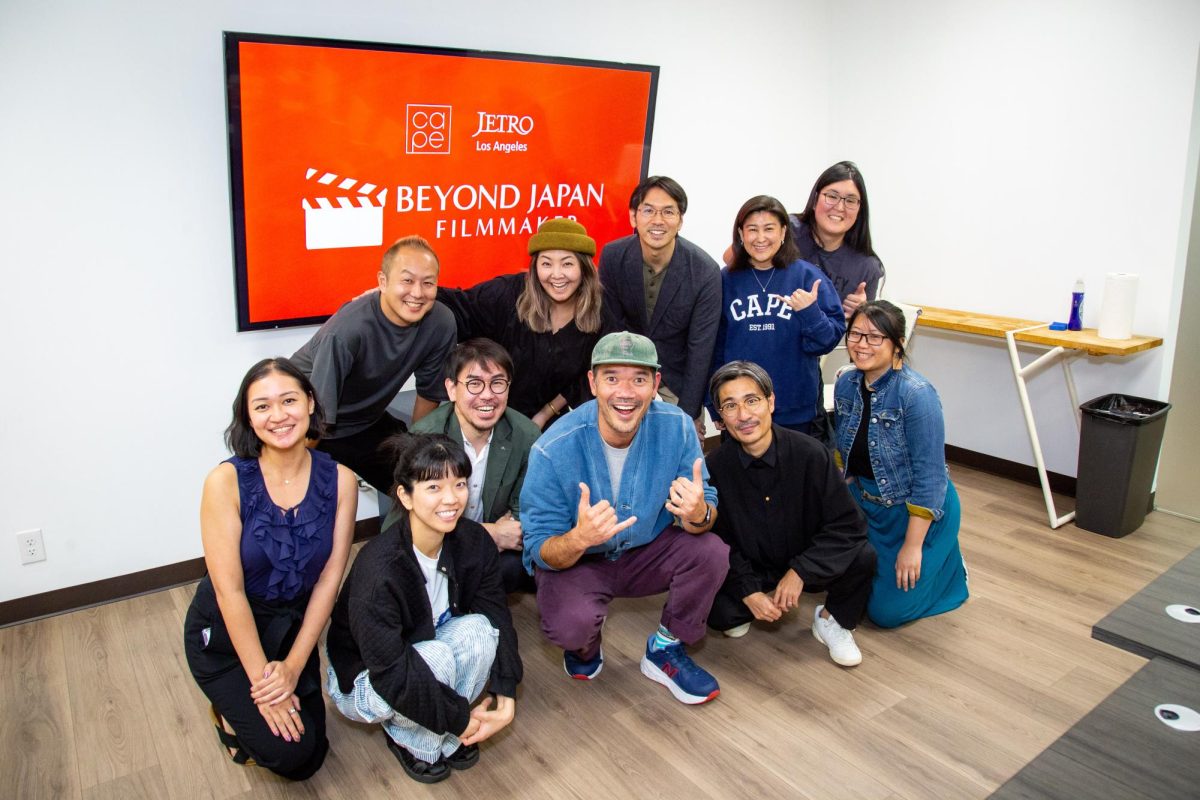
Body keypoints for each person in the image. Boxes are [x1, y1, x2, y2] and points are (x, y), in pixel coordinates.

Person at [520, 331, 729, 704]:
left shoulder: (678, 426)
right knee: (571, 627)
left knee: (711, 551)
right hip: (581, 560)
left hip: (650, 550)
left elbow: (706, 507)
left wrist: (699, 514)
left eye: (639, 379)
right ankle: (585, 645)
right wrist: (578, 538)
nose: (626, 392)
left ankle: (664, 649)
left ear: (656, 385)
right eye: (612, 377)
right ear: (593, 383)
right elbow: (539, 550)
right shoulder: (552, 448)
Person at [183, 357, 357, 780]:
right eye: (262, 406)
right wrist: (265, 689)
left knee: (312, 752)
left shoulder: (342, 481)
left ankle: (263, 695)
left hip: (290, 633)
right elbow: (230, 593)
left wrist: (295, 666)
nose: (278, 416)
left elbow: (329, 580)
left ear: (311, 403)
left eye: (289, 400)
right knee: (292, 759)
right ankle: (228, 711)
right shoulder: (224, 483)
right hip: (227, 636)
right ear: (247, 415)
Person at [325, 434, 522, 784]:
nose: (451, 499)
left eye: (459, 484)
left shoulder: (473, 541)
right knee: (436, 660)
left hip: (424, 646)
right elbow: (391, 671)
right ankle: (415, 741)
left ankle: (442, 731)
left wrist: (506, 691)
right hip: (365, 679)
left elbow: (497, 617)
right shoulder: (380, 568)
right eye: (433, 487)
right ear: (405, 495)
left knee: (480, 631)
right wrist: (462, 719)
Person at [705, 361, 875, 666]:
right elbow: (720, 540)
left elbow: (849, 525)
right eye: (730, 406)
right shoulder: (715, 466)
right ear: (720, 417)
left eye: (752, 400)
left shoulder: (811, 453)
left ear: (771, 402)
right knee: (719, 614)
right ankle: (760, 598)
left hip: (806, 556)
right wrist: (748, 591)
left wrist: (800, 572)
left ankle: (831, 619)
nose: (743, 415)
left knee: (862, 556)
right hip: (756, 563)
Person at [833, 301, 968, 628]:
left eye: (875, 337)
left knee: (885, 614)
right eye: (856, 334)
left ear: (898, 344)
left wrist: (912, 546)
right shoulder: (846, 383)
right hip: (867, 504)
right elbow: (843, 447)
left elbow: (931, 477)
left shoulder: (917, 394)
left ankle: (950, 568)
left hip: (914, 511)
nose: (862, 345)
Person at [290, 235, 457, 494]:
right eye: (407, 281)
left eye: (428, 283)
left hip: (366, 422)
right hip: (310, 425)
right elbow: (316, 417)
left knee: (421, 485)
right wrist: (294, 476)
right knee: (315, 503)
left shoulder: (441, 321)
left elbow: (428, 394)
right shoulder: (347, 330)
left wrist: (418, 453)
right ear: (383, 281)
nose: (417, 293)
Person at [387, 338, 540, 593]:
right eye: (474, 384)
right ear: (451, 389)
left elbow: (521, 511)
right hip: (435, 544)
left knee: (519, 566)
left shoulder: (526, 435)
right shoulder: (424, 438)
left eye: (498, 383)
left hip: (489, 550)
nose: (488, 395)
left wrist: (501, 533)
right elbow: (409, 524)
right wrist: (489, 533)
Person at [438, 218, 617, 429]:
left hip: (550, 420)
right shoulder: (509, 293)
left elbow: (593, 374)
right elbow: (460, 307)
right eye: (546, 263)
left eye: (567, 263)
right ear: (535, 267)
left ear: (584, 268)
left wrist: (544, 414)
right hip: (489, 413)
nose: (556, 275)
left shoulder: (600, 310)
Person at [711, 195, 845, 434]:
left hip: (795, 410)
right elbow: (714, 346)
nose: (760, 238)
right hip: (740, 411)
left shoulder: (807, 277)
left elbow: (827, 341)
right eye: (752, 229)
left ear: (783, 232)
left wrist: (810, 313)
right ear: (741, 234)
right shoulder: (724, 280)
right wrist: (714, 405)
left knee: (795, 471)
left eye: (769, 229)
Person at [599, 176, 722, 434]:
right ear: (634, 217)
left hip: (677, 378)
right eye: (648, 210)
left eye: (668, 212)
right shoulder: (613, 257)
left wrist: (688, 417)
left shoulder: (704, 271)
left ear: (680, 220)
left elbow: (701, 349)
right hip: (626, 367)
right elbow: (610, 329)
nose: (658, 220)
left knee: (678, 448)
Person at [791, 161, 885, 318]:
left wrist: (862, 314)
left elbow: (861, 333)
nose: (840, 207)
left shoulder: (867, 267)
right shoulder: (785, 231)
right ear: (815, 200)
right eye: (832, 196)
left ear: (859, 210)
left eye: (850, 200)